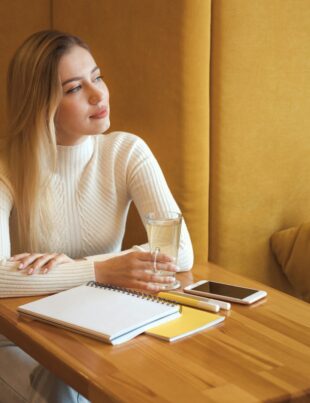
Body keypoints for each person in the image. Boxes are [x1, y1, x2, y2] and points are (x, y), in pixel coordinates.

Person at [0, 30, 193, 402]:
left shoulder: (126, 152)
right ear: (41, 104)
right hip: (18, 339)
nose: (97, 94)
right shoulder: (7, 165)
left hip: (97, 329)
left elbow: (179, 251)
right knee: (63, 389)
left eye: (97, 77)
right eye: (74, 88)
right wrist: (100, 272)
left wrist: (85, 265)